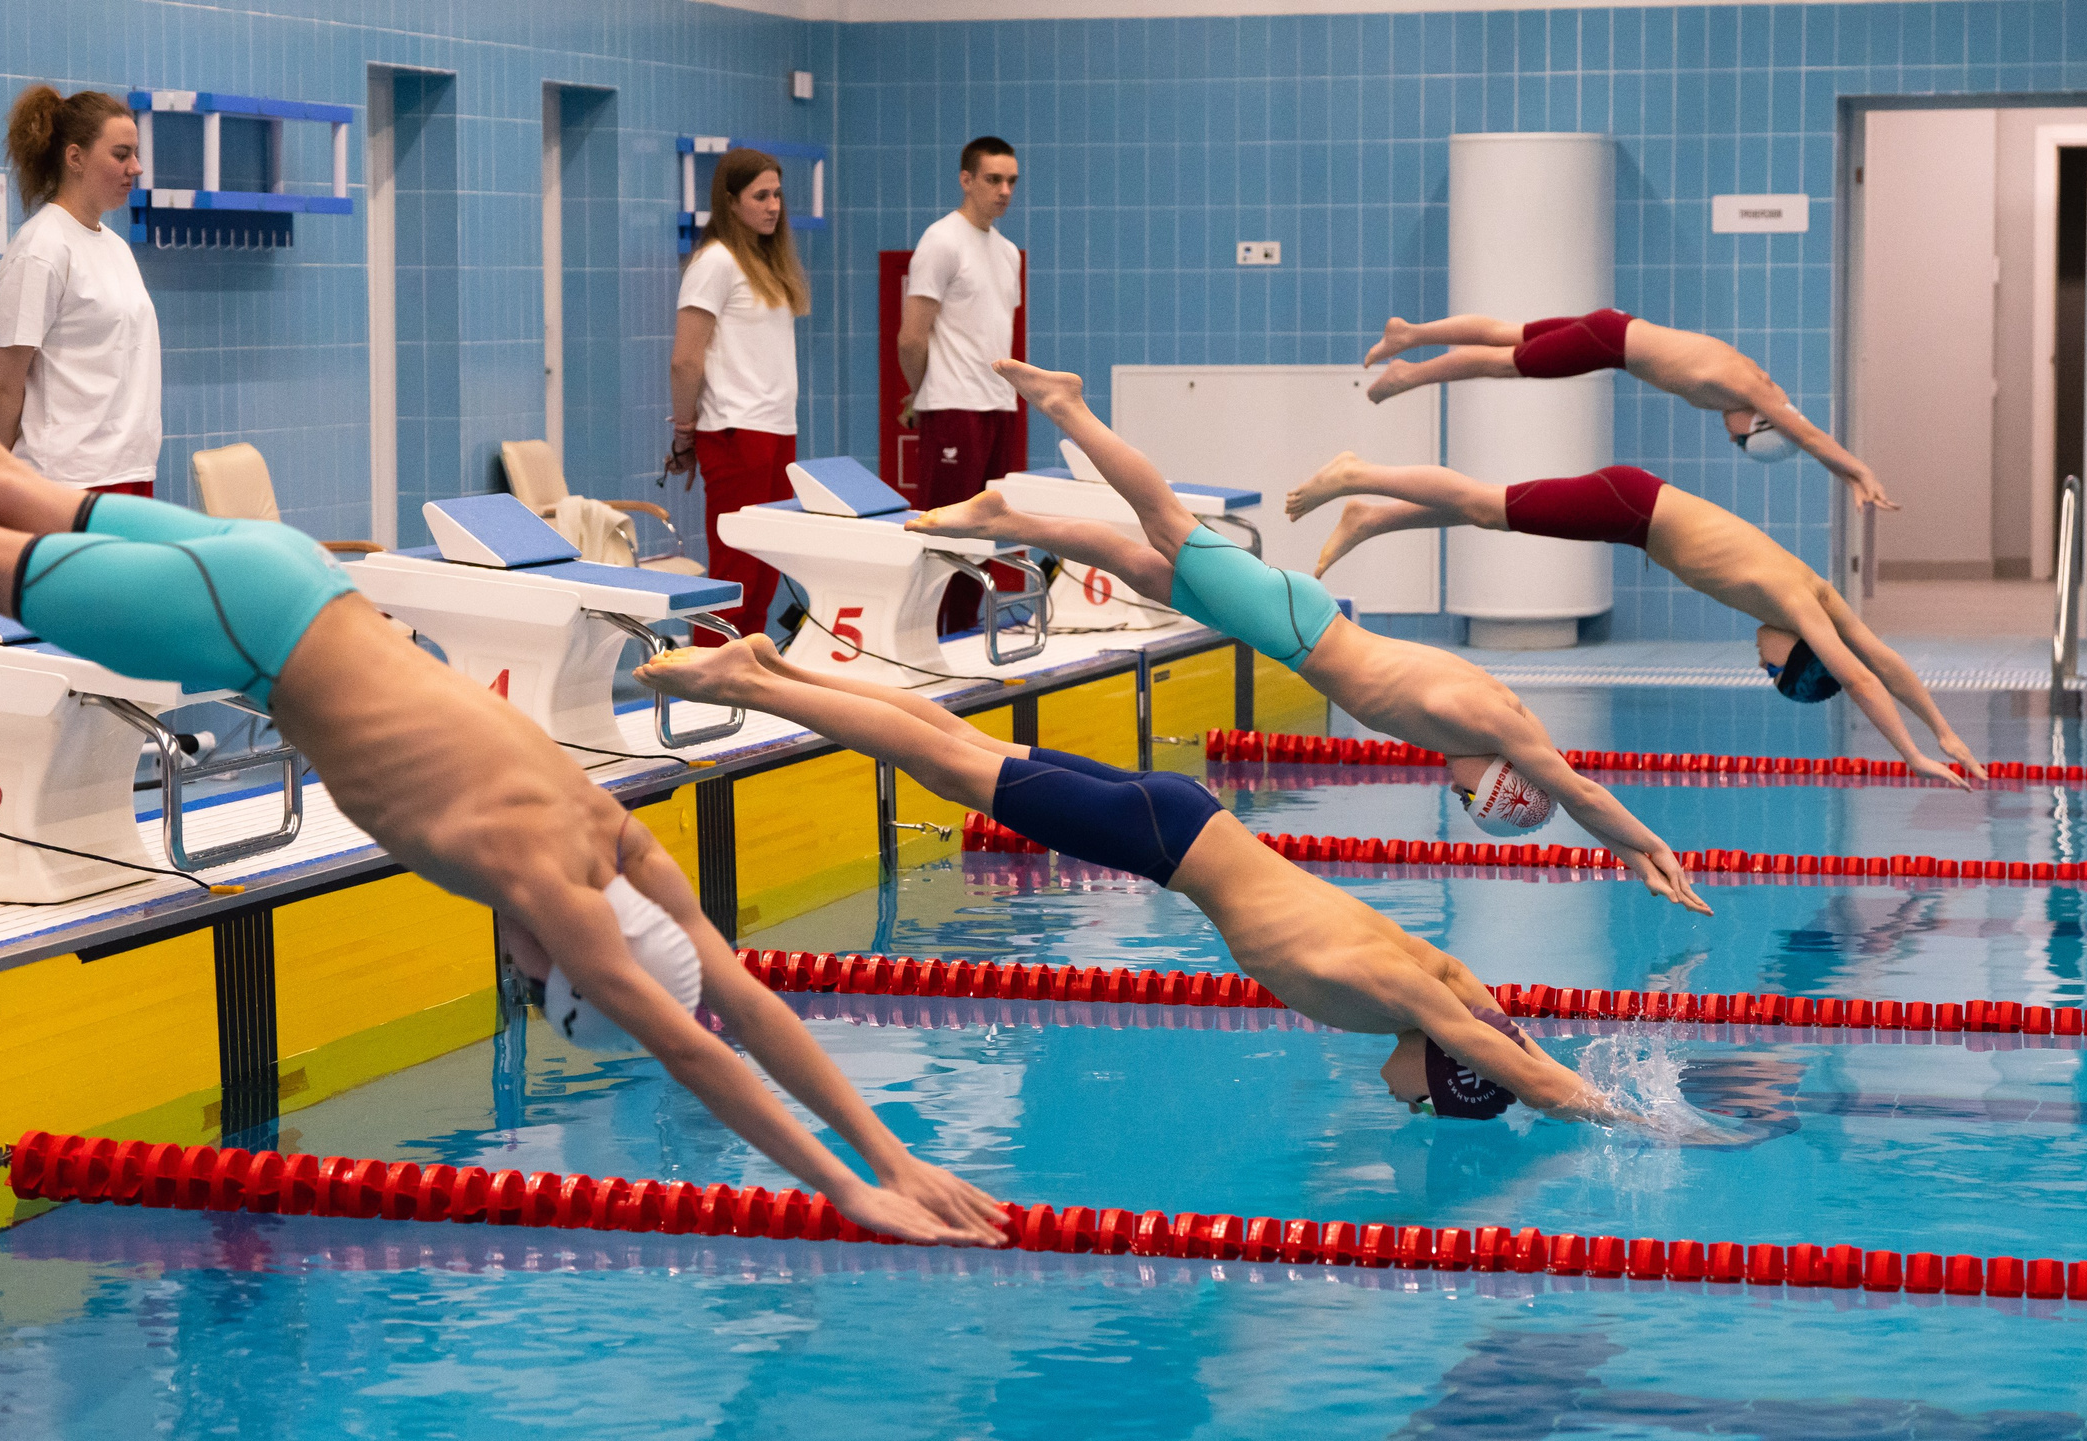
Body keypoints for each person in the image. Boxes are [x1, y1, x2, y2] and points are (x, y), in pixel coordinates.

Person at [0, 282, 1003, 1248]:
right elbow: (694, 1043)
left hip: (291, 577)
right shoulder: (548, 884)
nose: (519, 974)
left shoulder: (616, 841)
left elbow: (732, 994)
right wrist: (843, 1192)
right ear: (581, 968)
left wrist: (894, 1154)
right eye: (541, 988)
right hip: (243, 630)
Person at [639, 634, 1624, 1126]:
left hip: (1182, 819)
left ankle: (769, 665)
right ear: (1454, 1065)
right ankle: (751, 684)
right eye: (1432, 1096)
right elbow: (1515, 1059)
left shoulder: (1429, 971)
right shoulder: (1401, 993)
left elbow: (1489, 1016)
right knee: (947, 766)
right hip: (1165, 839)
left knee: (955, 744)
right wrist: (1621, 1116)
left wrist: (1510, 1037)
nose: (1408, 1101)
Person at [903, 361, 1713, 917]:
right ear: (1494, 783)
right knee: (1166, 524)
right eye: (1470, 798)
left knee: (1146, 569)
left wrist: (1631, 854)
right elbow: (1582, 793)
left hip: (1297, 624)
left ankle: (1010, 518)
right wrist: (1647, 849)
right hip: (1294, 627)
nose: (1455, 789)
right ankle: (1067, 406)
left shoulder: (1494, 718)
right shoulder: (1493, 728)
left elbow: (1575, 790)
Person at [1287, 456, 1986, 788]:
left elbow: (1884, 661)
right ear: (1803, 651)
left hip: (1637, 516)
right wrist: (1913, 751)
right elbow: (1861, 675)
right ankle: (1358, 476)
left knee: (1487, 511)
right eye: (1774, 669)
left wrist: (1947, 729)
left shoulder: (1820, 600)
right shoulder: (1800, 607)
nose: (1760, 661)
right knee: (1483, 501)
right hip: (1633, 506)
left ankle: (1373, 514)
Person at [1361, 310, 1895, 511]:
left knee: (1507, 333)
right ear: (1759, 426)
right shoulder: (1753, 392)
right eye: (1740, 442)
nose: (1728, 439)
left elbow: (1802, 434)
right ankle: (1411, 373)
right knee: (1504, 363)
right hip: (1610, 343)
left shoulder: (1752, 391)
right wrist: (1858, 472)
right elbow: (1809, 436)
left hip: (1613, 330)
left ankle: (1410, 333)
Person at [0, 86, 161, 499]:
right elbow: (0, 386)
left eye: (135, 153)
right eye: (121, 154)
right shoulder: (42, 247)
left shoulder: (114, 247)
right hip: (65, 481)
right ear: (75, 157)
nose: (136, 167)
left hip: (129, 469)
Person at [670, 149, 807, 646]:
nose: (773, 206)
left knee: (766, 567)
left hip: (775, 429)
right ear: (730, 202)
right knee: (736, 569)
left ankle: (747, 677)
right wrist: (685, 431)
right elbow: (686, 359)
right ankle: (708, 677)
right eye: (761, 196)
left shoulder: (766, 265)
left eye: (777, 194)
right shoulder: (714, 263)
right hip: (733, 431)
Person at [897, 136, 1022, 633]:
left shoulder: (1008, 252)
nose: (1004, 190)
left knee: (986, 530)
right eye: (994, 179)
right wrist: (922, 392)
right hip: (951, 405)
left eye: (1012, 181)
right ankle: (929, 633)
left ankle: (967, 632)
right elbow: (912, 336)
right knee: (946, 531)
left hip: (998, 404)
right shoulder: (941, 241)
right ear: (966, 180)